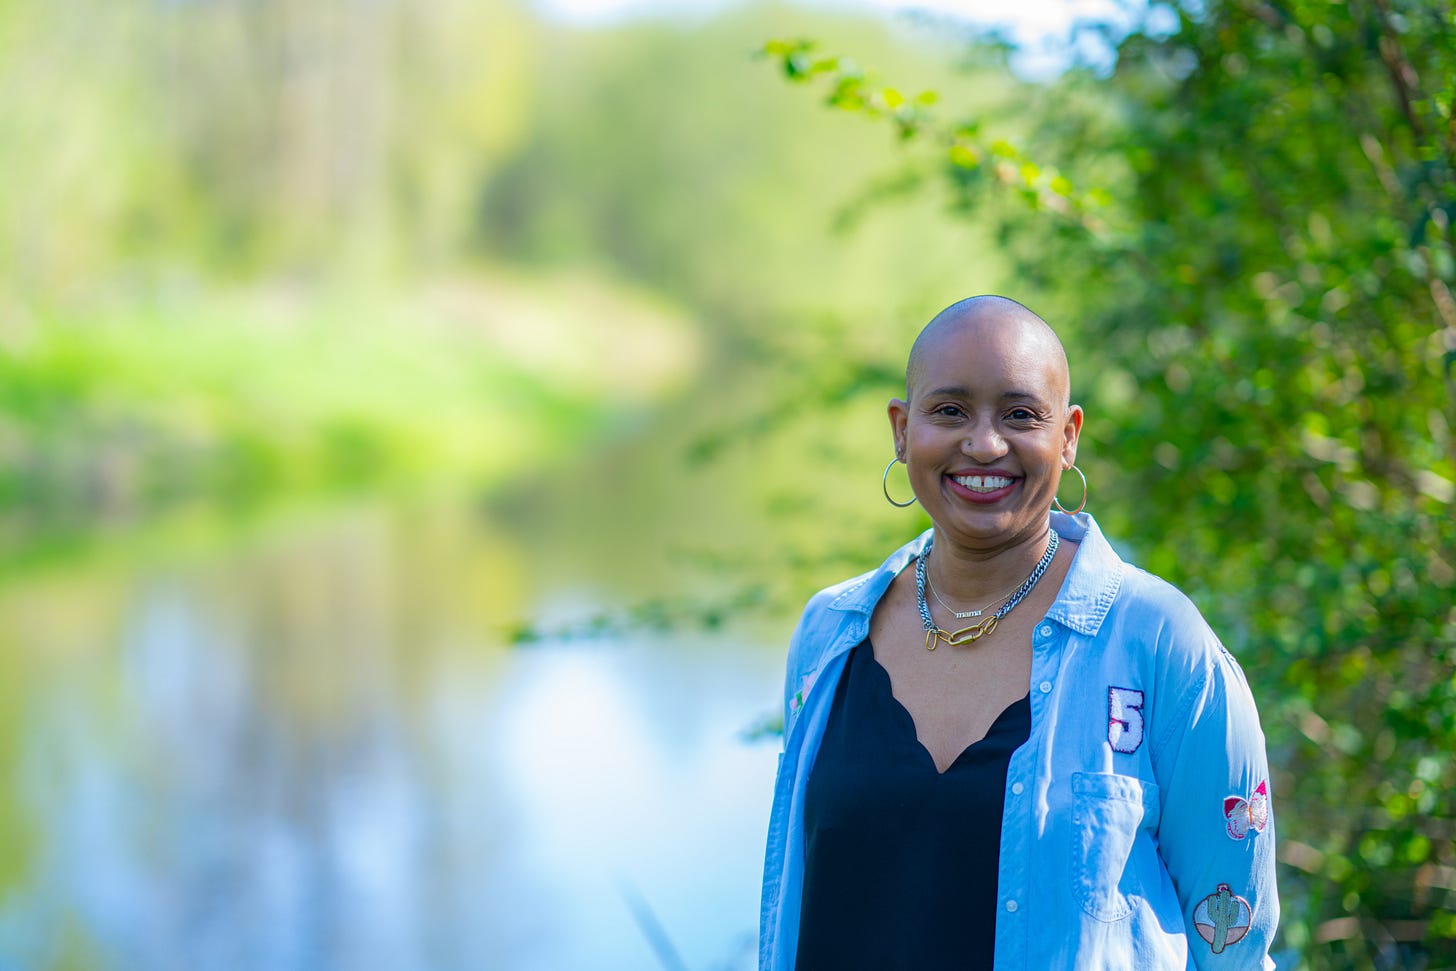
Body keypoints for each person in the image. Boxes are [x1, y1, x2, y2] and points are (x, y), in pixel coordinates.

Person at [759, 296, 1278, 970]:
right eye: (949, 410)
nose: (983, 443)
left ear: (1068, 436)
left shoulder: (1159, 643)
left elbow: (1235, 946)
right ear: (900, 428)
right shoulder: (830, 634)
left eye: (1020, 414)